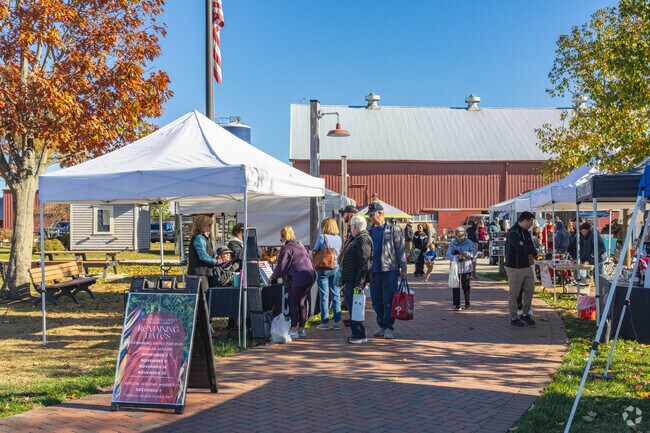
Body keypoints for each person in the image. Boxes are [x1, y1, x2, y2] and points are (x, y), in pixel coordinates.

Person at [367, 202, 407, 339]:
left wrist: (404, 267)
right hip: (373, 270)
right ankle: (381, 325)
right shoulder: (369, 230)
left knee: (389, 300)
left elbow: (400, 249)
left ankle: (389, 327)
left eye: (372, 215)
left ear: (380, 214)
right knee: (376, 300)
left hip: (389, 270)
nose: (370, 218)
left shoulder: (393, 229)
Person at [270, 226, 317, 339]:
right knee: (302, 303)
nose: (281, 241)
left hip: (298, 278)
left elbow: (282, 266)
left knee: (292, 302)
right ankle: (302, 329)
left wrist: (273, 276)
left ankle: (293, 329)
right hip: (310, 276)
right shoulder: (300, 245)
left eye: (281, 239)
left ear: (283, 237)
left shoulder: (287, 248)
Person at [341, 215, 373, 344]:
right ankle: (357, 333)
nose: (350, 229)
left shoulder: (362, 239)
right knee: (353, 307)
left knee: (355, 308)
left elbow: (364, 263)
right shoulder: (360, 239)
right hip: (352, 280)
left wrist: (359, 284)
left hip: (355, 281)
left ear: (355, 227)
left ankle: (359, 333)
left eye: (351, 227)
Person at [505, 211, 538, 327]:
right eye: (530, 222)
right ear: (524, 221)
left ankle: (525, 313)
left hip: (526, 266)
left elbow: (531, 248)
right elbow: (520, 248)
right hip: (514, 267)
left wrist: (528, 247)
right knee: (514, 293)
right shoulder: (513, 232)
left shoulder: (526, 232)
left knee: (530, 289)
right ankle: (514, 317)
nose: (531, 225)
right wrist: (528, 247)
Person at [313, 217, 343, 331]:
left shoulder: (322, 237)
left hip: (324, 268)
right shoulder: (339, 238)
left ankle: (324, 323)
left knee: (324, 295)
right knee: (336, 294)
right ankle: (336, 322)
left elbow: (316, 249)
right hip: (336, 267)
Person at [445, 227, 477, 310]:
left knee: (465, 285)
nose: (461, 238)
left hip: (466, 267)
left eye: (462, 236)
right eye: (459, 236)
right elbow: (448, 255)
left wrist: (468, 254)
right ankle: (457, 304)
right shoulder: (452, 243)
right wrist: (456, 257)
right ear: (455, 235)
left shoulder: (469, 242)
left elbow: (474, 252)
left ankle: (467, 302)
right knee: (455, 285)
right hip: (456, 268)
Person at [188, 215, 218, 290]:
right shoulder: (199, 238)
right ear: (202, 226)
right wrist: (216, 261)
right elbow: (203, 256)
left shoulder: (204, 238)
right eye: (209, 225)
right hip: (199, 273)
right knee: (204, 297)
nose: (211, 227)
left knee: (207, 296)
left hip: (204, 273)